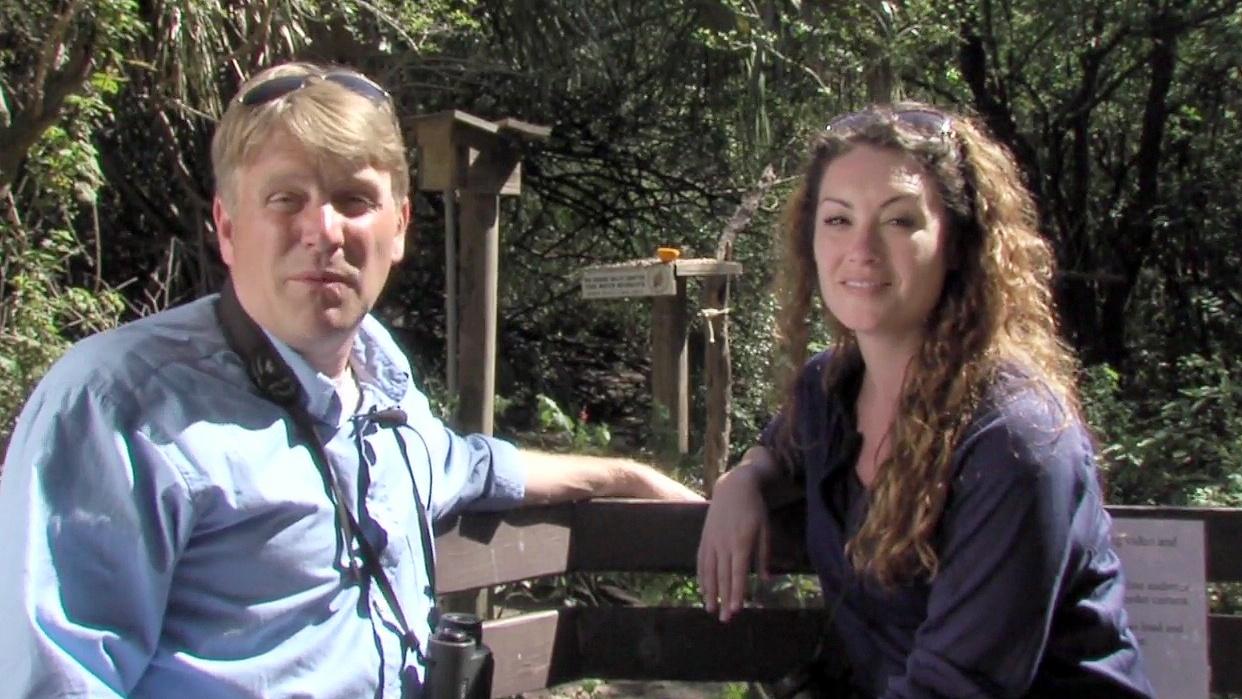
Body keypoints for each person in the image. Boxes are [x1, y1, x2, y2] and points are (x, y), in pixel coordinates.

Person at [0, 61, 700, 698]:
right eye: (285, 199)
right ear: (227, 227)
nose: (324, 230)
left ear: (399, 228)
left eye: (354, 199)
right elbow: (52, 681)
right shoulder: (119, 404)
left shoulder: (378, 380)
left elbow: (463, 465)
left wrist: (624, 476)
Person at [696, 104, 1153, 698]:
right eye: (838, 219)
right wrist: (744, 479)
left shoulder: (1015, 439)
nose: (861, 249)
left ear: (957, 243)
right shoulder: (829, 389)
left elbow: (956, 687)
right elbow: (782, 449)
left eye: (899, 220)